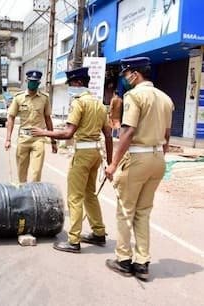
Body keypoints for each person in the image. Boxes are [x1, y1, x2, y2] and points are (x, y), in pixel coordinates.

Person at [105, 57, 174, 281]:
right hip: (157, 159)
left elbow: (127, 132)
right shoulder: (165, 98)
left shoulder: (134, 96)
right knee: (143, 212)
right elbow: (166, 135)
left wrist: (113, 163)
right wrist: (159, 156)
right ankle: (142, 262)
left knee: (126, 211)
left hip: (138, 158)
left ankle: (123, 260)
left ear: (135, 74)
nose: (125, 78)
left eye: (126, 74)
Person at [32, 67, 113, 253]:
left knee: (75, 197)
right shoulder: (99, 104)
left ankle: (74, 240)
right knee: (90, 194)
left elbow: (68, 132)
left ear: (77, 83)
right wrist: (109, 161)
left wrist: (45, 132)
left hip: (83, 154)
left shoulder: (79, 104)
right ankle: (99, 232)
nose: (70, 88)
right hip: (96, 154)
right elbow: (108, 136)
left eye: (70, 85)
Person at [5, 70, 58, 183]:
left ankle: (34, 197)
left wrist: (53, 141)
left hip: (38, 139)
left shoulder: (44, 98)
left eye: (35, 82)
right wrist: (8, 139)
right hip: (23, 139)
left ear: (39, 83)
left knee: (36, 173)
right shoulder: (19, 98)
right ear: (26, 81)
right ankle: (23, 195)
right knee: (21, 174)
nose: (33, 83)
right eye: (31, 81)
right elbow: (11, 117)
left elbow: (48, 119)